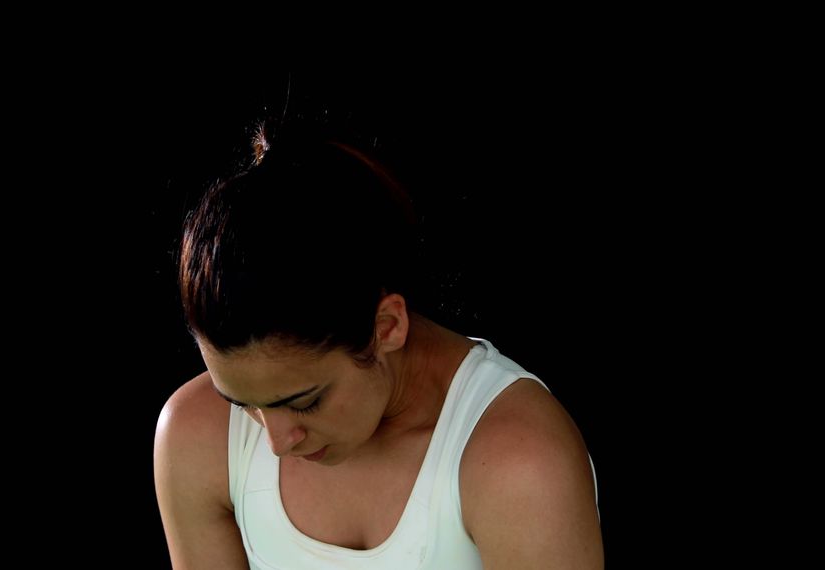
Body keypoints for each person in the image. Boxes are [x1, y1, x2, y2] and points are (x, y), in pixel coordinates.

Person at [154, 120, 603, 569]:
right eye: (242, 403)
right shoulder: (198, 439)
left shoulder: (519, 462)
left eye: (305, 402)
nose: (275, 442)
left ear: (387, 326)